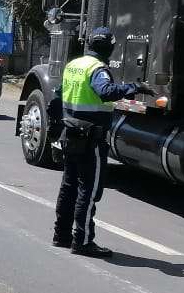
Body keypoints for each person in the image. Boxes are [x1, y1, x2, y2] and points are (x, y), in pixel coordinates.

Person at [54, 27, 150, 257]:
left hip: (71, 133)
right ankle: (83, 241)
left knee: (69, 187)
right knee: (88, 190)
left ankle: (62, 235)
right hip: (91, 139)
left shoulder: (74, 65)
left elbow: (58, 95)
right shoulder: (98, 69)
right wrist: (134, 87)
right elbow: (105, 91)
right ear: (109, 47)